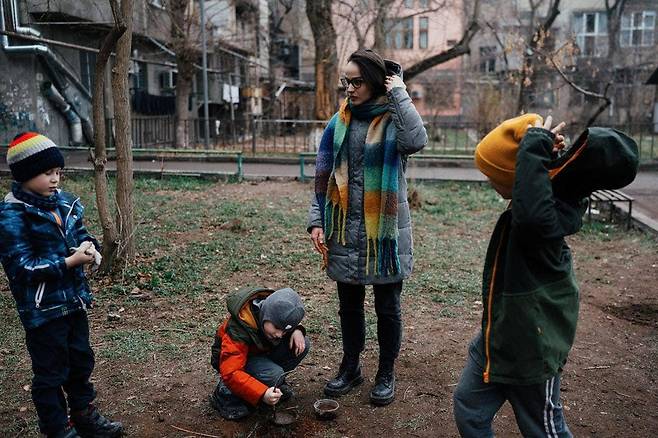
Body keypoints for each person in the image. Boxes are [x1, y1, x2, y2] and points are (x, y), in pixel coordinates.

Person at [453, 115, 639, 437]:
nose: (487, 181)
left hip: (533, 349)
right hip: (498, 340)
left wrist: (534, 151)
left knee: (544, 430)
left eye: (492, 175)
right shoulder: (534, 205)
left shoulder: (546, 216)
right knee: (468, 407)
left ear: (519, 177)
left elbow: (532, 217)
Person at [307, 48, 427, 406]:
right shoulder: (338, 122)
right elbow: (321, 178)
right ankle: (351, 366)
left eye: (357, 81)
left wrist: (399, 91)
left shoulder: (395, 119)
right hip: (345, 230)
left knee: (387, 307)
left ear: (375, 83)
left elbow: (417, 140)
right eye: (347, 81)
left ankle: (385, 371)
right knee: (349, 306)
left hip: (385, 235)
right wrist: (316, 220)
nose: (350, 88)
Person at [0, 132, 123, 438]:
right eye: (47, 173)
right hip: (43, 310)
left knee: (81, 359)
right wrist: (68, 263)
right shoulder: (13, 215)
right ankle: (57, 428)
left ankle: (84, 414)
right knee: (50, 372)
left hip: (73, 301)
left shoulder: (64, 203)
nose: (55, 179)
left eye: (58, 172)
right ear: (26, 174)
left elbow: (81, 235)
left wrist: (90, 249)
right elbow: (21, 268)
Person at [209, 286, 310, 420]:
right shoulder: (239, 327)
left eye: (284, 331)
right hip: (232, 365)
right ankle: (225, 394)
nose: (280, 335)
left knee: (303, 343)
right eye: (277, 328)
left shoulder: (270, 316)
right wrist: (262, 393)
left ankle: (271, 384)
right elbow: (231, 371)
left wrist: (297, 330)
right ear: (267, 316)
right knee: (273, 373)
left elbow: (285, 323)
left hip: (259, 354)